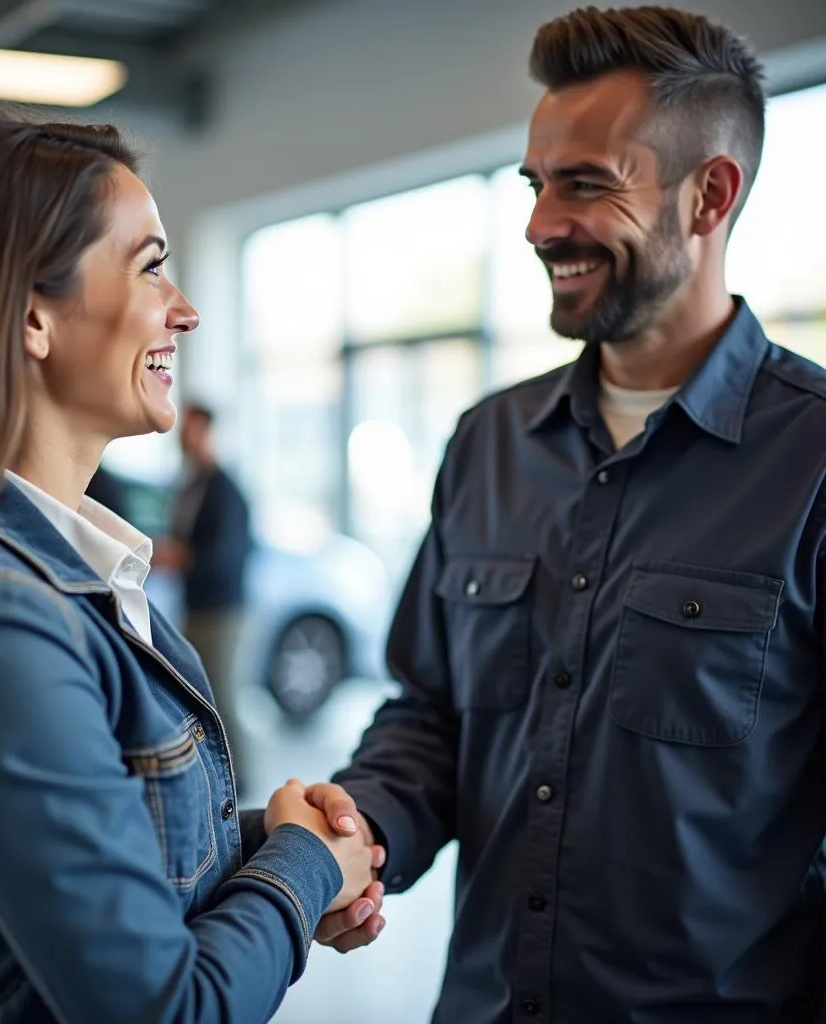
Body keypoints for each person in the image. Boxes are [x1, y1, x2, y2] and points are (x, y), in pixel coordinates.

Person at [0, 113, 385, 1024]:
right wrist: (301, 872)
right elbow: (160, 1009)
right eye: (151, 266)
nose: (183, 308)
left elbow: (99, 871)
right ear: (32, 314)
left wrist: (284, 847)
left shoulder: (38, 581)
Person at [307, 6, 826, 1020]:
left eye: (586, 183)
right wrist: (355, 834)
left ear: (707, 196)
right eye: (536, 183)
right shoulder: (488, 444)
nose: (542, 223)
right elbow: (428, 720)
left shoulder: (810, 463)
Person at [153, 402, 254, 795]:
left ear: (207, 433)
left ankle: (238, 781)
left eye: (192, 430)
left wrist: (180, 557)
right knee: (200, 692)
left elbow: (226, 555)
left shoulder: (224, 488)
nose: (185, 439)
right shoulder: (190, 483)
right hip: (196, 606)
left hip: (223, 610)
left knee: (223, 694)